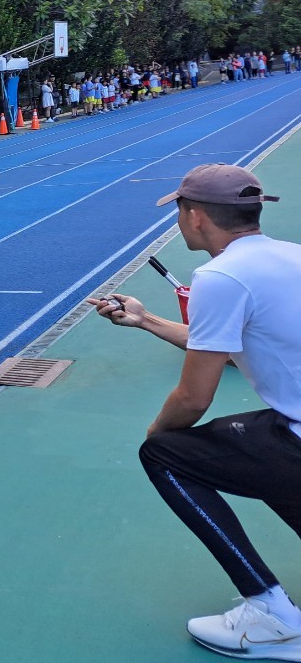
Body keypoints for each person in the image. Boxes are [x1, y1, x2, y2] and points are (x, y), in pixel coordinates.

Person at [89, 164, 301, 659]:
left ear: (196, 216)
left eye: (179, 211)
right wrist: (145, 319)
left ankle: (273, 615)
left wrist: (156, 436)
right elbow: (218, 341)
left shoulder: (219, 276)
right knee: (254, 442)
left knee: (166, 454)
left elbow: (193, 398)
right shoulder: (290, 255)